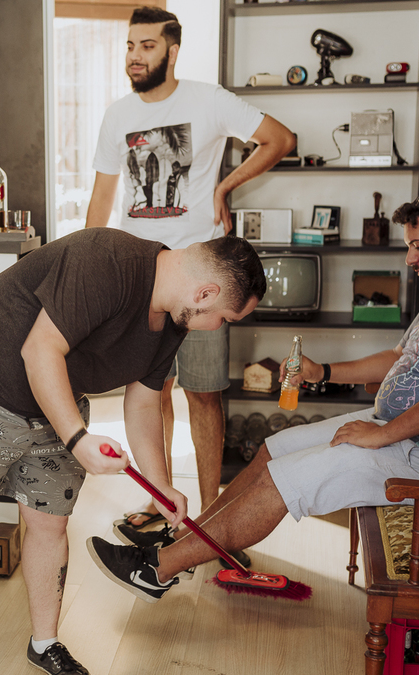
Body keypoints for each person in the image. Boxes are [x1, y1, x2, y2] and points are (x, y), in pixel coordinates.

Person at [87, 186, 419, 600]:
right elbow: (397, 357)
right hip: (398, 432)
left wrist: (382, 435)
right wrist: (324, 370)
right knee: (273, 449)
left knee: (285, 481)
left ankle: (154, 571)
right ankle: (192, 538)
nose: (410, 258)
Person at [0, 227, 265, 675]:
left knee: (49, 524)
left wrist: (159, 485)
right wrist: (78, 438)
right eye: (225, 318)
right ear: (205, 293)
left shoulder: (174, 319)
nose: (218, 327)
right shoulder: (106, 260)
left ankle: (45, 642)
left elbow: (144, 401)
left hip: (55, 401)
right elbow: (39, 349)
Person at [86, 6, 296, 535]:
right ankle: (162, 504)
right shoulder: (117, 115)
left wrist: (226, 186)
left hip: (201, 278)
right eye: (131, 46)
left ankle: (211, 512)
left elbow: (280, 139)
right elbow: (102, 199)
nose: (135, 56)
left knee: (204, 395)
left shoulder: (208, 100)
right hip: (142, 281)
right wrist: (89, 263)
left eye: (148, 46)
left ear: (172, 50)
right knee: (148, 395)